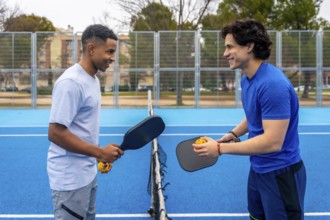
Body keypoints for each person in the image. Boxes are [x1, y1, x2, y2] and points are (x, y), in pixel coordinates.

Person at [193, 19, 306, 220]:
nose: (225, 53)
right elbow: (255, 116)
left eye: (230, 47)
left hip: (281, 173)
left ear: (249, 46)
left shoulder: (272, 84)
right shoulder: (248, 79)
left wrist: (219, 149)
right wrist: (233, 134)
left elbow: (273, 142)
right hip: (258, 169)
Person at [47, 24, 124, 219]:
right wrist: (99, 152)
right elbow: (55, 133)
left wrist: (98, 155)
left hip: (88, 174)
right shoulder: (71, 83)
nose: (112, 58)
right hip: (70, 180)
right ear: (91, 49)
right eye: (109, 51)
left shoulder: (93, 79)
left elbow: (81, 128)